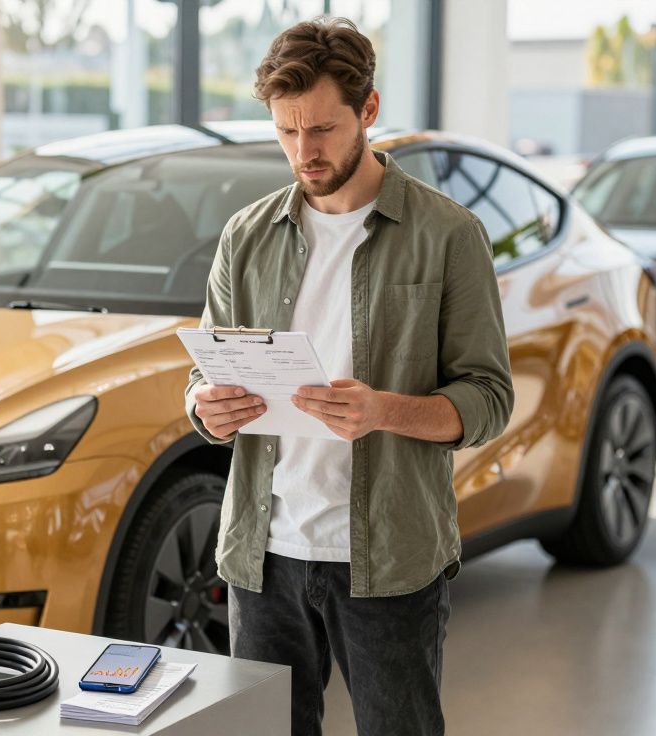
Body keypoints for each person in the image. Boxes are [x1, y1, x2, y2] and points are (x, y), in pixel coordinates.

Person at [183, 17, 515, 736]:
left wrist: (384, 412)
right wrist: (208, 409)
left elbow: (488, 400)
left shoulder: (447, 236)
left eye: (324, 129)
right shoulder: (246, 237)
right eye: (287, 132)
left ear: (368, 110)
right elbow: (202, 379)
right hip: (262, 556)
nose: (305, 151)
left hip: (389, 561)